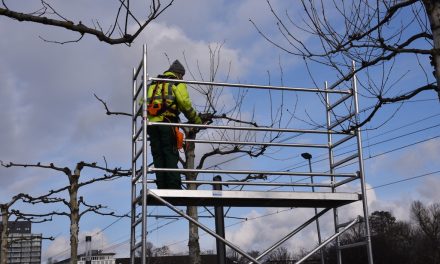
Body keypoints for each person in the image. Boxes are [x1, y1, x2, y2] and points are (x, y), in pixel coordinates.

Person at [146, 60, 202, 189]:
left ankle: (162, 185)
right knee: (170, 152)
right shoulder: (176, 82)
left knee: (158, 154)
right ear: (179, 74)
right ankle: (173, 186)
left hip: (151, 125)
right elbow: (184, 103)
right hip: (168, 123)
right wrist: (196, 120)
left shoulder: (153, 83)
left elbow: (141, 103)